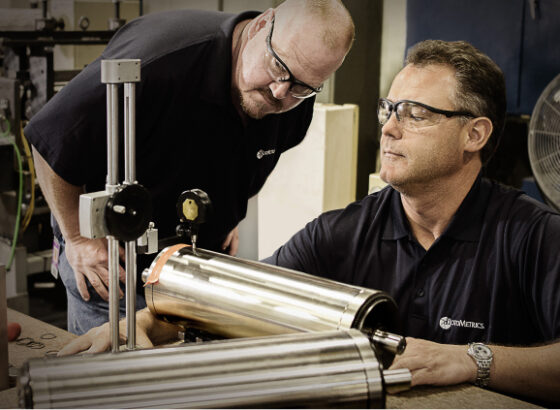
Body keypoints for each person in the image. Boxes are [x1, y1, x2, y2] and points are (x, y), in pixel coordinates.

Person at [59, 40, 560, 404]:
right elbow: (239, 303)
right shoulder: (341, 232)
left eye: (415, 113)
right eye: (390, 108)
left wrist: (474, 359)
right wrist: (147, 322)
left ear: (474, 134)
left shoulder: (534, 237)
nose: (388, 126)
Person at [27, 0, 355, 335]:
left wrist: (226, 213)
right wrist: (78, 238)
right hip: (112, 263)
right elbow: (49, 138)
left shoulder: (296, 96)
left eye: (302, 86)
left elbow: (250, 156)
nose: (279, 90)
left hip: (190, 265)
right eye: (277, 67)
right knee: (109, 373)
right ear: (261, 25)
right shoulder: (159, 60)